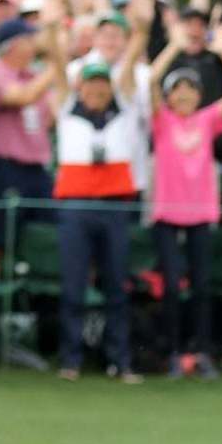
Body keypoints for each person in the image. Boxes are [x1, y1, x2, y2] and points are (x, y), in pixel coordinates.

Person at [50, 35, 153, 383]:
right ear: (81, 86)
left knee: (116, 287)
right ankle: (71, 359)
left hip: (113, 208)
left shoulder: (122, 111)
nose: (96, 89)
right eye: (90, 82)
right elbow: (56, 65)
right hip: (76, 208)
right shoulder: (67, 109)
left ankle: (120, 361)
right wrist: (53, 28)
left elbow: (130, 65)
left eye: (101, 83)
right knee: (73, 286)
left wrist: (139, 29)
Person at [146, 54, 222, 380]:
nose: (184, 95)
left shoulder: (207, 120)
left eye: (191, 89)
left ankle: (202, 352)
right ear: (169, 95)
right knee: (173, 287)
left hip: (201, 214)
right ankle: (173, 352)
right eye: (178, 89)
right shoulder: (162, 120)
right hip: (167, 214)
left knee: (203, 286)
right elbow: (150, 83)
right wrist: (174, 45)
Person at [0, 17, 58, 262]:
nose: (33, 45)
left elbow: (50, 118)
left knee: (45, 232)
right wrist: (57, 66)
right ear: (12, 45)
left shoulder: (32, 74)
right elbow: (23, 97)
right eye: (28, 40)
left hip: (37, 169)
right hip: (6, 168)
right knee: (3, 239)